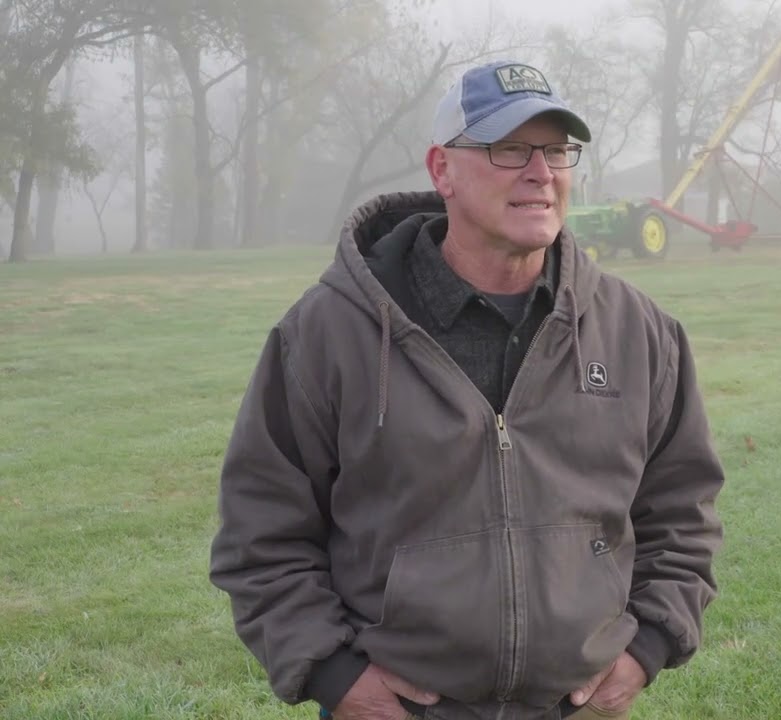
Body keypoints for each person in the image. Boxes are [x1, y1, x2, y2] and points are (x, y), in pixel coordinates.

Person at [209, 59, 726, 720]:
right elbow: (261, 534)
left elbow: (682, 514)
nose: (541, 173)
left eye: (558, 149)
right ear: (441, 169)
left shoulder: (641, 333)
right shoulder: (327, 334)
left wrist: (647, 647)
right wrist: (336, 676)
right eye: (509, 148)